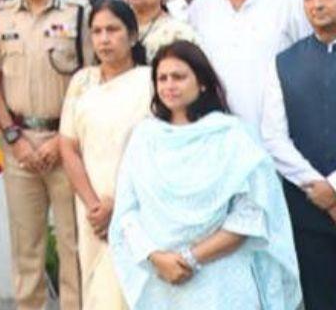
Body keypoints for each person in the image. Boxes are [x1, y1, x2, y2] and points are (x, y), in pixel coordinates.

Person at [109, 41, 301, 308]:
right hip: (162, 281)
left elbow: (252, 213)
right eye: (162, 78)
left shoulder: (232, 136)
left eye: (179, 76)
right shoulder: (144, 138)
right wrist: (156, 257)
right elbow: (127, 213)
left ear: (201, 82)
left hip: (222, 279)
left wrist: (191, 257)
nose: (169, 85)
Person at [0, 0, 90, 310]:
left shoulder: (80, 15)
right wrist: (13, 138)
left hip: (67, 148)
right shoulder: (1, 18)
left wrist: (60, 140)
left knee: (72, 244)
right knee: (25, 247)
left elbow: (90, 82)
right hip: (19, 149)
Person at [58, 0, 152, 310]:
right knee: (98, 290)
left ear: (133, 35)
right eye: (97, 31)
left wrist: (119, 203)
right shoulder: (82, 82)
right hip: (92, 208)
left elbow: (155, 148)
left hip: (139, 204)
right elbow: (68, 146)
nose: (104, 39)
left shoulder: (150, 82)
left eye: (113, 30)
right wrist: (94, 204)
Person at [260, 0, 336, 308]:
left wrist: (333, 189)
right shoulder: (284, 62)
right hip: (309, 207)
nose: (318, 4)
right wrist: (319, 189)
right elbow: (274, 138)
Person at [186, 0, 310, 132]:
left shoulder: (288, 1)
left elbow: (310, 61)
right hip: (220, 134)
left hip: (282, 131)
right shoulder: (201, 8)